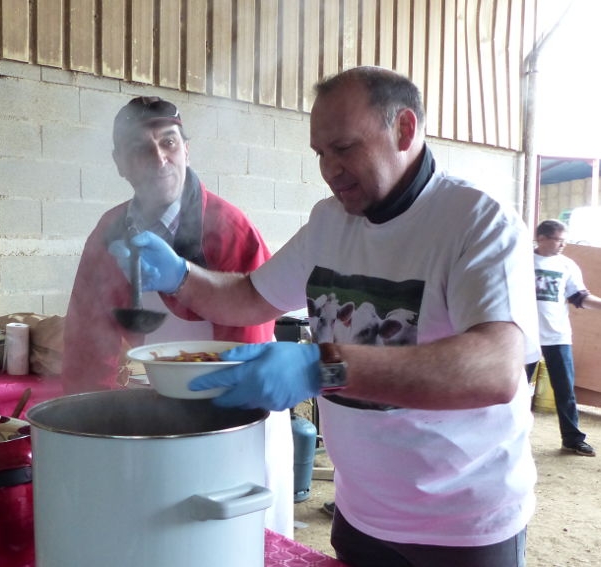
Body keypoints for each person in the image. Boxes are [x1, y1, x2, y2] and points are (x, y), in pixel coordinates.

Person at [111, 67, 541, 567]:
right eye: (320, 153)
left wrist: (321, 367)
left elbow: (495, 370)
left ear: (403, 130)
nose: (329, 169)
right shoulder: (329, 222)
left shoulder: (477, 222)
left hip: (461, 529)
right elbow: (251, 296)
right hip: (360, 516)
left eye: (344, 147)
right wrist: (181, 275)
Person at [60, 95, 294, 537]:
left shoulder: (229, 229)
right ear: (120, 164)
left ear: (187, 148)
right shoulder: (109, 233)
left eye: (168, 142)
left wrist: (207, 433)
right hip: (160, 407)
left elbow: (247, 345)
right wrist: (87, 428)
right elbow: (87, 342)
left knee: (234, 541)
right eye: (140, 148)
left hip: (234, 416)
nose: (159, 158)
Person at [525, 219, 601, 457]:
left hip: (557, 335)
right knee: (515, 389)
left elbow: (581, 297)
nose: (563, 245)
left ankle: (572, 439)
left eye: (564, 240)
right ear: (542, 238)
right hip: (524, 333)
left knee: (565, 390)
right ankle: (508, 437)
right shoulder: (521, 261)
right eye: (559, 239)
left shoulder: (567, 265)